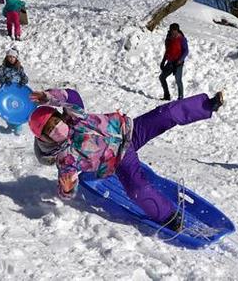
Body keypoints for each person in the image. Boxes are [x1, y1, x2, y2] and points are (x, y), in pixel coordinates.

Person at [28, 88, 225, 232]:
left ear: (59, 116)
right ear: (44, 138)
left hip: (129, 130)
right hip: (120, 159)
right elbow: (66, 188)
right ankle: (169, 217)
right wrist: (68, 188)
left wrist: (48, 97)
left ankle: (207, 105)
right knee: (137, 190)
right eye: (49, 130)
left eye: (55, 121)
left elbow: (71, 96)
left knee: (165, 114)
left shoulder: (75, 116)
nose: (56, 128)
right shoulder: (65, 157)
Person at [0, 48, 29, 135]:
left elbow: (25, 77)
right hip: (7, 92)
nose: (11, 59)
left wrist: (23, 81)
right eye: (9, 57)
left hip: (18, 92)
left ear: (16, 58)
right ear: (6, 57)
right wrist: (4, 80)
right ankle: (10, 124)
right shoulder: (3, 67)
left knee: (18, 108)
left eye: (13, 57)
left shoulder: (19, 68)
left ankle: (18, 127)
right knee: (8, 108)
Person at [159, 23, 188, 101]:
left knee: (178, 80)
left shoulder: (182, 39)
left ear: (177, 30)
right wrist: (163, 61)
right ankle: (167, 96)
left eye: (175, 30)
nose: (173, 32)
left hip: (178, 63)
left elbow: (186, 51)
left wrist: (179, 61)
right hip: (170, 62)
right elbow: (167, 51)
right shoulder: (168, 38)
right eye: (172, 30)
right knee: (162, 77)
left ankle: (180, 98)